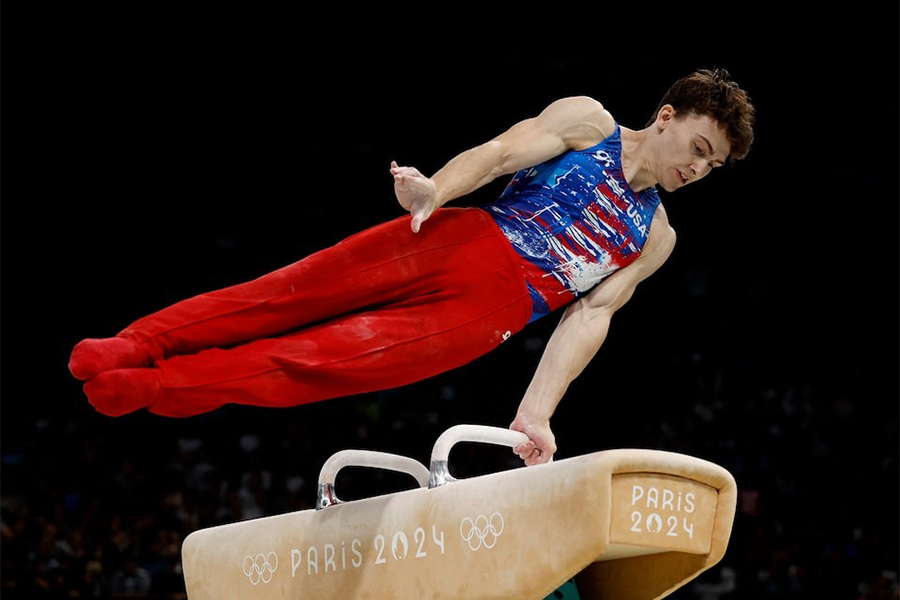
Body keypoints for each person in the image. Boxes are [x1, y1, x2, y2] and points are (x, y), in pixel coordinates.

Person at [69, 68, 755, 466]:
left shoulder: (654, 237)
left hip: (488, 317)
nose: (697, 168)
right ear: (666, 117)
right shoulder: (589, 122)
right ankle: (134, 344)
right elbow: (498, 153)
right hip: (462, 236)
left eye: (711, 165)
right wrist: (437, 191)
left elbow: (590, 317)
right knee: (280, 295)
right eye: (697, 146)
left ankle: (151, 385)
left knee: (316, 362)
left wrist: (535, 415)